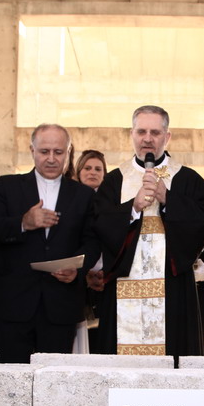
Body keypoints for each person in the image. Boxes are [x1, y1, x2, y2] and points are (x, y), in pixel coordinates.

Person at [93, 105, 204, 356]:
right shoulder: (115, 180)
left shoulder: (186, 178)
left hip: (172, 288)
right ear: (132, 134)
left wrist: (168, 199)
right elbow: (99, 224)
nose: (147, 139)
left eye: (155, 132)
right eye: (141, 132)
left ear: (167, 137)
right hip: (123, 286)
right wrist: (132, 208)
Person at [0, 124, 97, 362]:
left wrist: (77, 270)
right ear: (32, 150)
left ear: (68, 152)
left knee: (54, 378)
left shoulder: (84, 195)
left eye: (58, 152)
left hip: (60, 306)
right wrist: (23, 222)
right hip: (11, 305)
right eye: (44, 152)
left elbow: (93, 241)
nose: (51, 159)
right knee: (10, 377)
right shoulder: (5, 186)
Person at [75, 149, 109, 353]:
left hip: (106, 279)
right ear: (79, 171)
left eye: (98, 169)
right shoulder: (70, 200)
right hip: (77, 277)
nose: (92, 172)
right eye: (87, 168)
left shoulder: (111, 202)